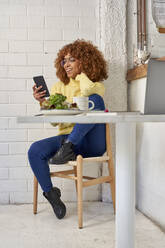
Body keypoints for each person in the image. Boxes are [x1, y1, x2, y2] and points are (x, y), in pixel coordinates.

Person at [28, 39, 108, 219]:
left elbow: (91, 95)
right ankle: (52, 195)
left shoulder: (94, 85)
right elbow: (54, 123)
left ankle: (68, 146)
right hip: (66, 142)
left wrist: (81, 76)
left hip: (91, 142)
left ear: (84, 61)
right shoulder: (58, 87)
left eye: (72, 59)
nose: (66, 64)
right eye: (64, 61)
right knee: (35, 150)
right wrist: (44, 103)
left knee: (95, 100)